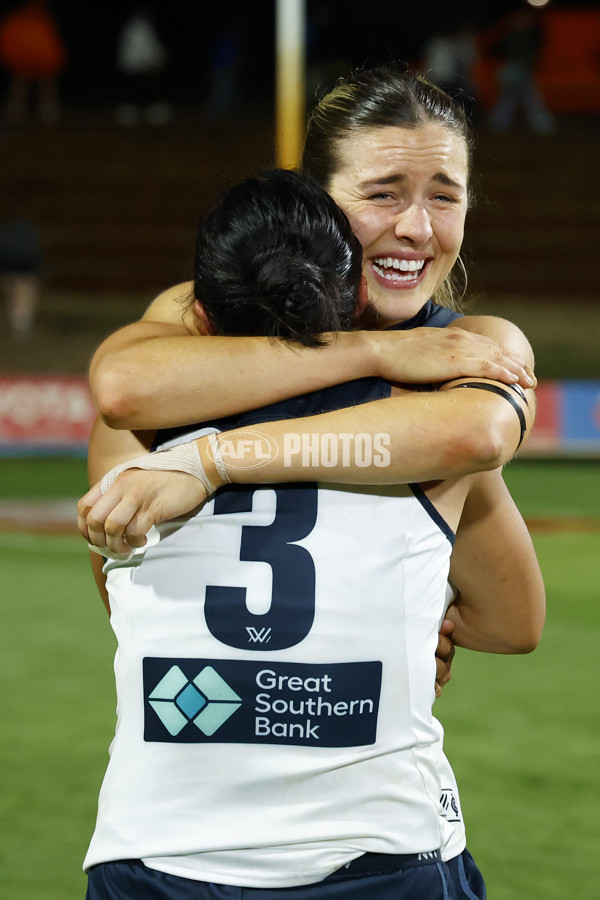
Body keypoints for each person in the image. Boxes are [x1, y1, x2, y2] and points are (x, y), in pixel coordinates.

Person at [79, 66, 545, 896]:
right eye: (384, 193)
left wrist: (210, 460)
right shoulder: (200, 326)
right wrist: (371, 353)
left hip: (226, 843)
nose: (416, 226)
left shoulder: (467, 345)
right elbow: (120, 388)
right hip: (323, 850)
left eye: (446, 195)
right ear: (317, 202)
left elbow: (477, 437)